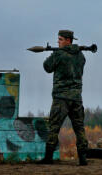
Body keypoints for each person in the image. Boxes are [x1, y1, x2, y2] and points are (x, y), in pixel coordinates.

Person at [39, 30, 88, 165]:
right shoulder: (80, 55)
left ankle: (48, 157)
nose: (58, 42)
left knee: (53, 126)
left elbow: (47, 67)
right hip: (77, 98)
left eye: (60, 40)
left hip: (61, 97)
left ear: (68, 40)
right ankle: (83, 158)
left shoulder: (59, 54)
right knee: (79, 128)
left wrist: (55, 53)